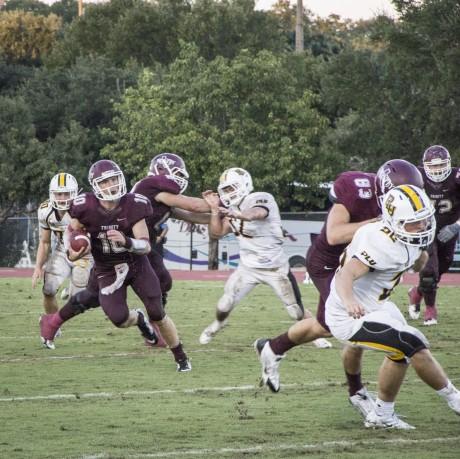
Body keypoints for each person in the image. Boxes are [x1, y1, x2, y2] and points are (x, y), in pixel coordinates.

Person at [254, 159, 424, 419]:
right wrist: (379, 223)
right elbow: (334, 234)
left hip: (363, 265)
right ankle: (356, 392)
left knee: (325, 326)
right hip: (330, 263)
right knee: (353, 323)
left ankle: (273, 348)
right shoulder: (357, 188)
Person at [39, 154, 210, 351]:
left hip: (138, 251)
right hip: (113, 254)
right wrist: (220, 203)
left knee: (162, 281)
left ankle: (155, 326)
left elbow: (191, 216)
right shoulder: (152, 189)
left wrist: (225, 217)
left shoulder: (153, 200)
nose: (179, 178)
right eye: (177, 173)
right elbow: (194, 205)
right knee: (92, 297)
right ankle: (53, 322)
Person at [325, 185, 460, 428]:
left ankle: (382, 415)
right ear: (393, 222)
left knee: (401, 351)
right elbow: (346, 274)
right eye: (414, 223)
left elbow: (417, 261)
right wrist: (349, 301)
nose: (422, 227)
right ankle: (454, 399)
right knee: (412, 344)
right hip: (350, 314)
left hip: (378, 304)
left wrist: (421, 257)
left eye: (424, 220)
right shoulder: (379, 241)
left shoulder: (406, 234)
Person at [199, 167, 324, 346]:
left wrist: (238, 214)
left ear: (244, 184)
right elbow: (216, 233)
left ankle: (316, 334)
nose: (228, 194)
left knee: (295, 312)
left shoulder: (259, 198)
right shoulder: (232, 209)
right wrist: (213, 209)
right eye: (225, 190)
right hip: (247, 268)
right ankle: (218, 323)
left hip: (275, 268)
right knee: (224, 305)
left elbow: (256, 213)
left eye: (231, 188)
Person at [408, 145, 460, 325]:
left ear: (448, 164)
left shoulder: (456, 177)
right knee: (429, 271)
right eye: (433, 166)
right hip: (425, 229)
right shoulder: (416, 176)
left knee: (441, 268)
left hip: (449, 229)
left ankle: (417, 293)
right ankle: (430, 310)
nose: (437, 170)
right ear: (424, 165)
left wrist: (457, 226)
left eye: (441, 165)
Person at [32, 173, 92, 314]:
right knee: (48, 291)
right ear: (52, 194)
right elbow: (45, 242)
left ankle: (73, 290)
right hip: (62, 251)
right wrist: (38, 267)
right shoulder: (45, 210)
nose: (63, 198)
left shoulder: (85, 208)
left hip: (85, 253)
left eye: (66, 194)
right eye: (59, 194)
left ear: (75, 193)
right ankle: (51, 323)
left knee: (77, 302)